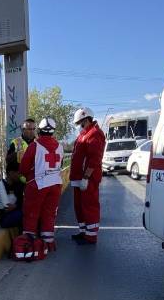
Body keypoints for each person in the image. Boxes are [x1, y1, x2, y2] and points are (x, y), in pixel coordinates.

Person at [19, 117, 63, 252]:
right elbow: (60, 165)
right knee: (49, 214)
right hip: (56, 184)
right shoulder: (60, 146)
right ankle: (48, 243)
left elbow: (24, 168)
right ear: (53, 131)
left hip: (38, 185)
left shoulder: (34, 146)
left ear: (39, 131)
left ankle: (30, 244)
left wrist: (26, 177)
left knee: (31, 213)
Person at [69, 107, 105, 245]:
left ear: (87, 119)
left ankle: (91, 236)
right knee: (79, 206)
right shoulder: (84, 134)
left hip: (87, 178)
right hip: (78, 177)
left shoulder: (95, 134)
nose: (79, 126)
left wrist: (86, 177)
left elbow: (94, 159)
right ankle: (83, 231)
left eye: (80, 123)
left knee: (89, 206)